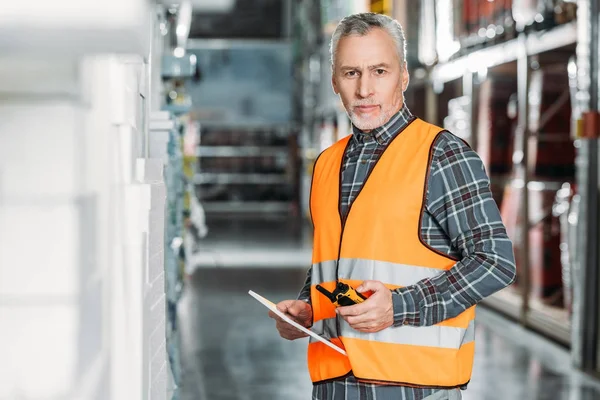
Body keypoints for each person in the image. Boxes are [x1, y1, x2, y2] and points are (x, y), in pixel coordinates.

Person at [268, 12, 516, 400]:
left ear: (403, 76)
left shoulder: (442, 155)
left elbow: (494, 260)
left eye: (379, 71)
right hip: (337, 381)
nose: (365, 88)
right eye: (351, 73)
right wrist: (307, 307)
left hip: (414, 387)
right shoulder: (328, 164)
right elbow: (342, 262)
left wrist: (400, 306)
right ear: (335, 81)